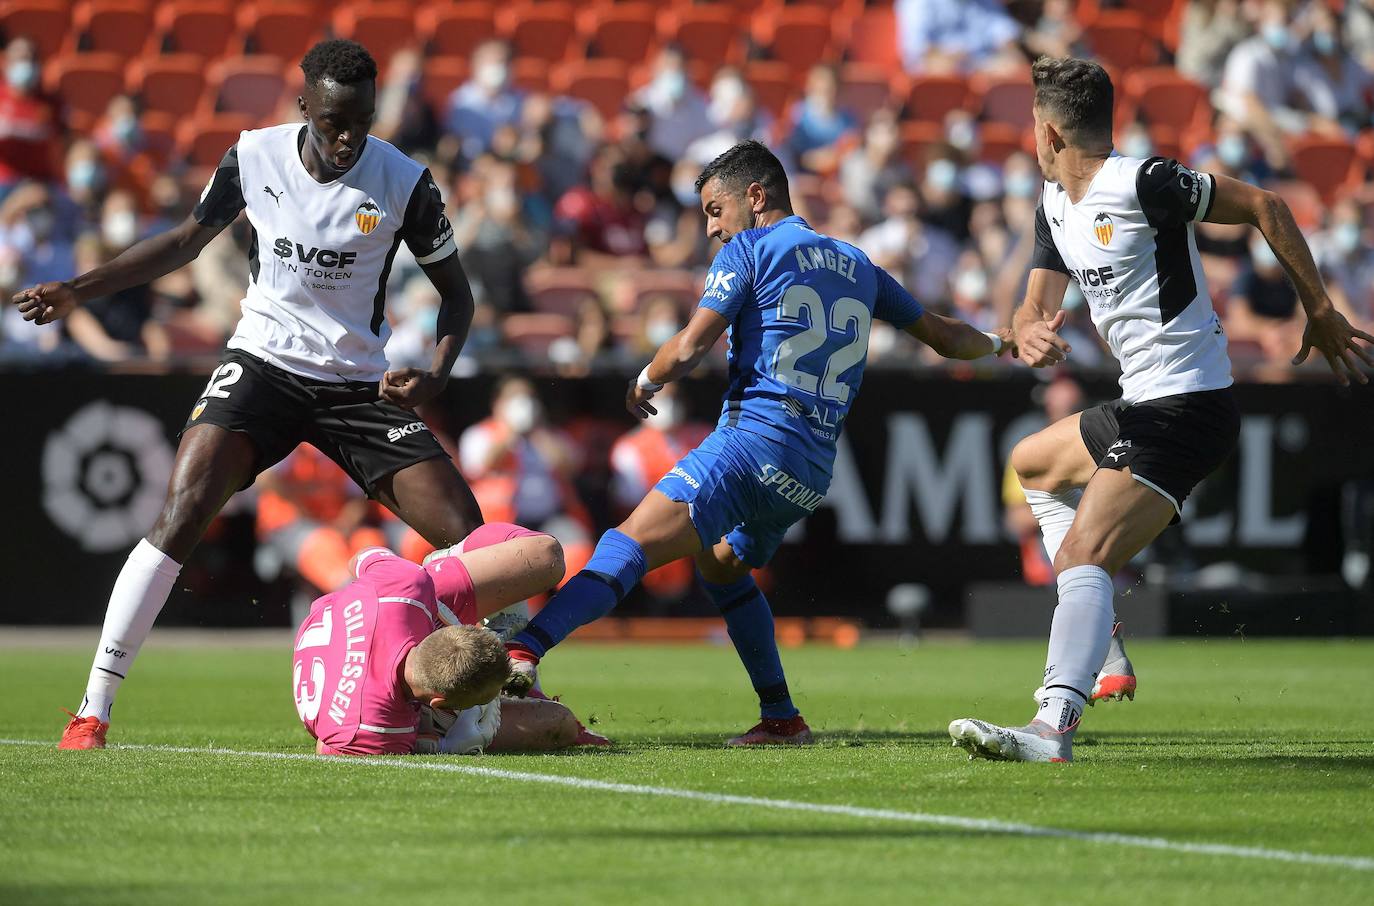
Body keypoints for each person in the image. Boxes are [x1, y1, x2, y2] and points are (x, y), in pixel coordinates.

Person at [13, 40, 486, 750]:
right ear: (304, 107)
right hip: (263, 363)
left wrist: (436, 375)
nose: (347, 138)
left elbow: (458, 298)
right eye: (332, 123)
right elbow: (182, 243)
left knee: (468, 533)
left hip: (355, 381)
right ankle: (93, 708)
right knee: (181, 508)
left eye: (360, 121)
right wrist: (78, 289)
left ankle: (502, 696)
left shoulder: (404, 181)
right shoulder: (253, 156)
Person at [501, 139, 1015, 745]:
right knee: (719, 566)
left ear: (756, 196)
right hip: (810, 470)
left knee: (626, 544)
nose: (713, 230)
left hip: (752, 441)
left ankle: (523, 649)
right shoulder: (860, 265)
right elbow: (946, 338)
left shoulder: (751, 249)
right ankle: (781, 717)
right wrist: (1002, 341)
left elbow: (691, 345)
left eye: (716, 211)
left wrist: (647, 377)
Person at [949, 56, 1373, 764]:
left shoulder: (1141, 183)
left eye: (1030, 124)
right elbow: (1036, 305)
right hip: (1142, 403)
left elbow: (1266, 206)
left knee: (1085, 551)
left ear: (1049, 131)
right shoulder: (1055, 203)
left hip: (1189, 405)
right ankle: (1104, 644)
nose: (1029, 137)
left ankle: (1053, 727)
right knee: (1033, 465)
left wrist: (1320, 309)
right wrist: (1029, 327)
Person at [293, 525, 600, 756]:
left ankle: (447, 562)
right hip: (378, 662)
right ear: (439, 703)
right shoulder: (373, 728)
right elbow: (327, 747)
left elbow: (362, 558)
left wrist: (355, 600)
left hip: (386, 605)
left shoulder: (406, 588)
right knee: (557, 723)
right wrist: (443, 744)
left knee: (544, 555)